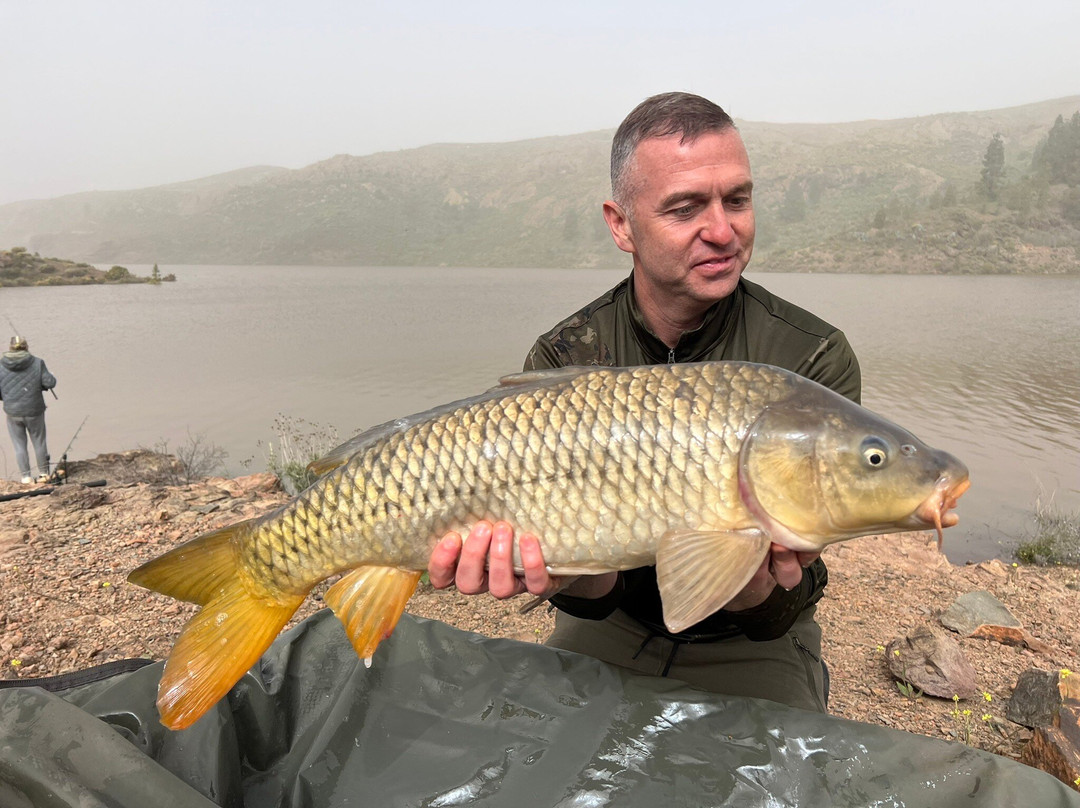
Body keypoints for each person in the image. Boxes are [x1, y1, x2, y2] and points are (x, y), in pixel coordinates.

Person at [428, 92, 860, 713]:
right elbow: (590, 593)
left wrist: (749, 588)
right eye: (685, 209)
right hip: (612, 625)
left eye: (736, 199)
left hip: (749, 637)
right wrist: (550, 565)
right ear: (621, 224)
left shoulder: (810, 360)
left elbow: (783, 604)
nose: (722, 230)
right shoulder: (566, 356)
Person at [0, 336, 57, 484]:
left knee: (19, 445)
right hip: (34, 410)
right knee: (39, 442)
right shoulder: (37, 362)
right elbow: (50, 382)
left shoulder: (1, 365)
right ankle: (44, 474)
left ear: (11, 348)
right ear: (26, 347)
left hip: (13, 412)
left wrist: (8, 398)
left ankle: (25, 478)